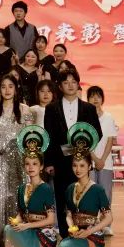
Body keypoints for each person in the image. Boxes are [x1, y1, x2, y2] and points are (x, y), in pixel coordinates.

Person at [53, 124, 124, 247]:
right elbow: (69, 214)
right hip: (76, 234)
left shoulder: (97, 190)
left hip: (92, 235)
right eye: (75, 165)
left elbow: (108, 218)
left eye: (82, 165)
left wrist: (89, 231)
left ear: (89, 167)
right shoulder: (70, 188)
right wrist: (72, 228)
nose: (78, 169)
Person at [44, 69, 102, 237]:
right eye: (66, 82)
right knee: (63, 199)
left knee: (83, 197)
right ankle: (65, 236)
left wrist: (82, 148)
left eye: (73, 82)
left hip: (82, 162)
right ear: (60, 86)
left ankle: (84, 234)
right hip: (60, 162)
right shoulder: (51, 108)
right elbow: (49, 135)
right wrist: (49, 162)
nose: (70, 85)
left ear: (78, 85)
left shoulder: (88, 108)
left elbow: (97, 133)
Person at [0, 74, 35, 247]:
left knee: (17, 196)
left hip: (19, 159)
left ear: (16, 88)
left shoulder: (24, 109)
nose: (7, 90)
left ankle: (18, 243)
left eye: (10, 86)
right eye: (3, 86)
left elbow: (30, 134)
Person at [0, 126, 58, 247]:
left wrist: (27, 226)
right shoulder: (21, 188)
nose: (31, 167)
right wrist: (16, 221)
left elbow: (51, 220)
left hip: (41, 230)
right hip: (27, 227)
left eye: (35, 164)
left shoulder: (45, 188)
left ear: (41, 166)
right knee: (8, 229)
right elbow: (21, 214)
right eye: (27, 164)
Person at [88, 86, 118, 222]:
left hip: (106, 162)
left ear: (102, 99)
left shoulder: (108, 117)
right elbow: (85, 141)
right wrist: (94, 158)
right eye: (92, 96)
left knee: (105, 194)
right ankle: (91, 224)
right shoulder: (85, 117)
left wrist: (102, 160)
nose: (95, 99)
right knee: (90, 194)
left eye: (98, 96)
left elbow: (110, 140)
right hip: (89, 163)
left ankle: (106, 224)